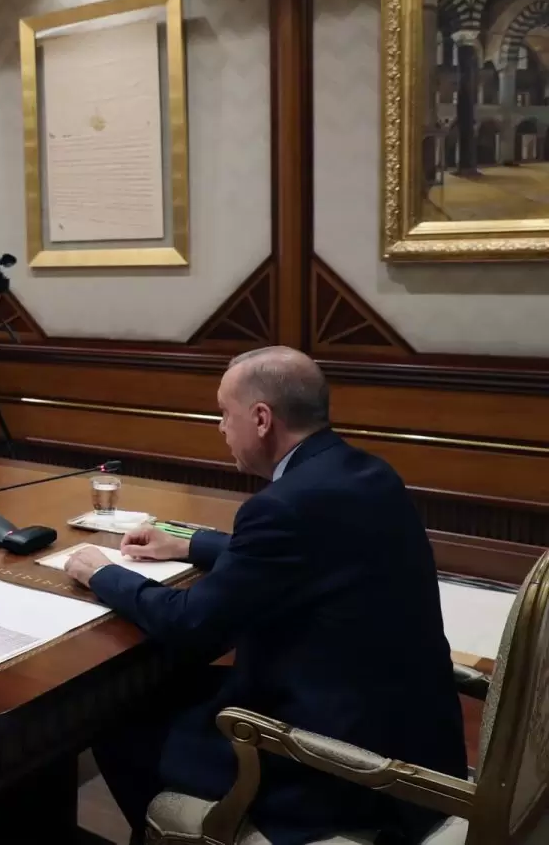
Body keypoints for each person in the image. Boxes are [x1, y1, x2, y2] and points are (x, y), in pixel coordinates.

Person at [63, 347, 465, 845]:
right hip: (412, 734)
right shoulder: (366, 472)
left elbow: (191, 624)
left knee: (113, 720)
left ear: (260, 419)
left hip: (339, 765)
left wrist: (103, 574)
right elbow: (312, 551)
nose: (220, 427)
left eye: (223, 413)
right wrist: (190, 543)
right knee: (166, 689)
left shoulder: (283, 506)